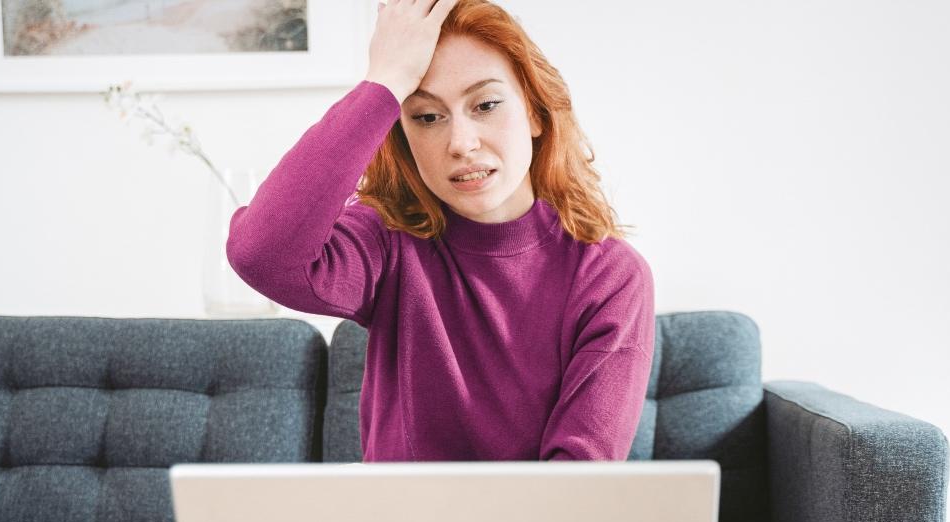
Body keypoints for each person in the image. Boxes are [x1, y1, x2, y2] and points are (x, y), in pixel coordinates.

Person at [226, 0, 655, 462]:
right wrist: (383, 84)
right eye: (427, 117)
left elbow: (579, 479)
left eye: (486, 105)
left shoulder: (609, 275)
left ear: (535, 111)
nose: (462, 143)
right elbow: (260, 253)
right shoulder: (386, 241)